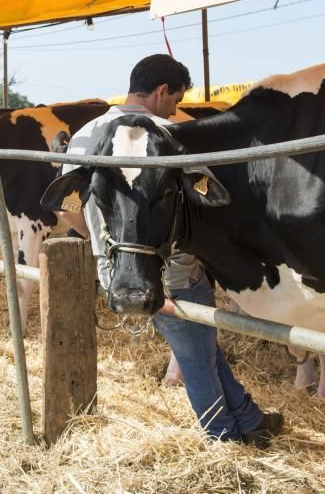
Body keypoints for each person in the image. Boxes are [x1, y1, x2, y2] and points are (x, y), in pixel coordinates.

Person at [60, 54, 284, 447]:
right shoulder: (168, 134)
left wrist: (104, 245)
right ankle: (225, 440)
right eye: (176, 100)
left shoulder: (84, 134)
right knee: (197, 356)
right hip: (172, 271)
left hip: (115, 272)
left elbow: (69, 210)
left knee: (197, 344)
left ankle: (249, 419)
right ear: (162, 92)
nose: (175, 109)